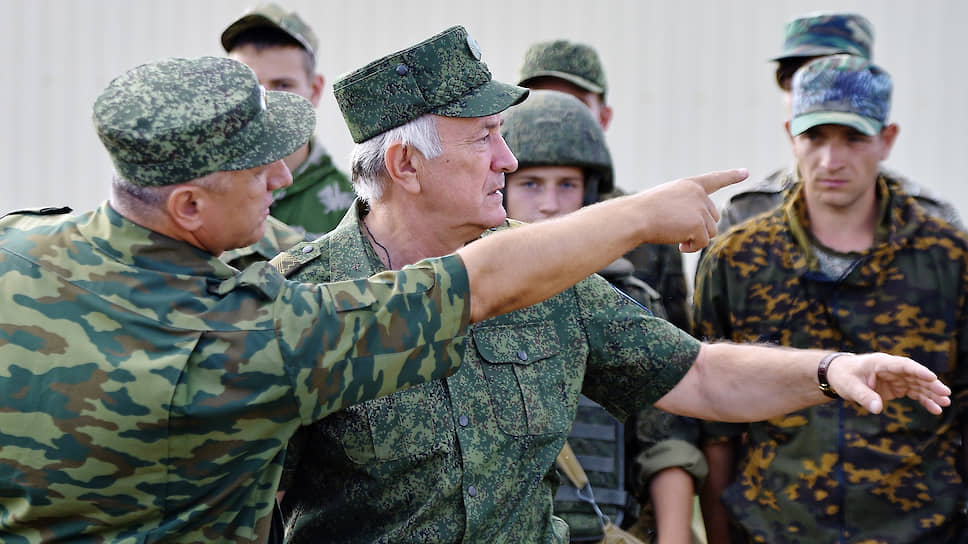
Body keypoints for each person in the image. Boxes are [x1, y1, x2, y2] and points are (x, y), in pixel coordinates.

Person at [0, 55, 749, 541]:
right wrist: (645, 214)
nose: (283, 179)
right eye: (257, 169)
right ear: (190, 208)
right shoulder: (261, 332)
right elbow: (479, 286)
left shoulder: (14, 255)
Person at [272, 26, 951, 544]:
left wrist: (833, 370)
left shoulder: (547, 277)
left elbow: (703, 375)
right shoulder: (299, 303)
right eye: (483, 139)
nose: (507, 160)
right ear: (406, 165)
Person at [694, 54, 968, 543]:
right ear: (790, 134)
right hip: (773, 530)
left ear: (887, 139)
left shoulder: (948, 261)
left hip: (920, 531)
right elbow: (715, 430)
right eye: (815, 136)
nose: (831, 161)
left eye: (854, 138)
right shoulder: (736, 261)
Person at [501, 89, 706, 544]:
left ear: (591, 193)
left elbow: (665, 441)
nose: (550, 204)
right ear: (502, 189)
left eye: (567, 185)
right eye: (531, 184)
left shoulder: (628, 301)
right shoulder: (465, 297)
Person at [717, 11, 962, 231]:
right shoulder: (746, 214)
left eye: (838, 73)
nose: (817, 92)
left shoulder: (930, 222)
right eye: (794, 77)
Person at [517, 39, 690, 330]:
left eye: (575, 105)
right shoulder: (477, 221)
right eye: (540, 100)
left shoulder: (646, 231)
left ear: (604, 118)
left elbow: (680, 347)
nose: (555, 115)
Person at [221, 2, 356, 237]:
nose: (263, 101)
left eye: (282, 86)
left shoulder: (354, 208)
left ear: (314, 90)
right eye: (247, 87)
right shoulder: (201, 194)